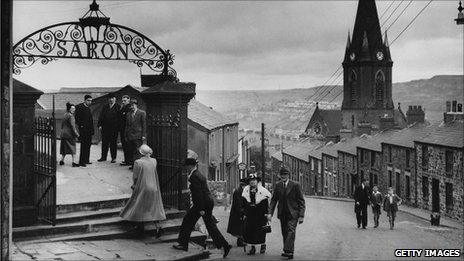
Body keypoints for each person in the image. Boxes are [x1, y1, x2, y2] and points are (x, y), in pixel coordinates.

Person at [173, 150, 231, 258]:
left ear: (190, 166)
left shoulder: (194, 176)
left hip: (202, 203)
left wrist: (200, 209)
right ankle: (225, 245)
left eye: (186, 166)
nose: (185, 168)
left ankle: (183, 244)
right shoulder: (197, 174)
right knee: (210, 226)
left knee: (187, 221)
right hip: (206, 203)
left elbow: (198, 194)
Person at [120, 144, 166, 236]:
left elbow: (136, 176)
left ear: (141, 153)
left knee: (139, 206)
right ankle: (158, 227)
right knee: (153, 208)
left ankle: (139, 228)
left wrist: (134, 185)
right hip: (154, 187)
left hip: (143, 187)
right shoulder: (154, 161)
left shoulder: (138, 162)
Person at [270, 167, 305, 260]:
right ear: (280, 176)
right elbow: (273, 200)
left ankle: (287, 249)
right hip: (282, 213)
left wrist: (301, 215)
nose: (283, 176)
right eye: (282, 175)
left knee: (291, 231)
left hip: (293, 213)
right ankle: (289, 252)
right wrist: (270, 213)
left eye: (285, 174)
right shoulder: (278, 185)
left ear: (288, 175)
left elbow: (301, 201)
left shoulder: (295, 185)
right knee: (285, 232)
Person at [242, 173, 271, 255]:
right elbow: (243, 202)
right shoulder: (246, 191)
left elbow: (266, 203)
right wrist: (244, 213)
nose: (252, 182)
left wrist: (266, 213)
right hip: (250, 213)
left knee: (261, 230)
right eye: (251, 181)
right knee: (250, 230)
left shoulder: (263, 191)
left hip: (260, 213)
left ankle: (263, 245)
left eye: (254, 180)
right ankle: (253, 248)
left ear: (257, 181)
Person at [97, 94, 121, 163]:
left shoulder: (118, 107)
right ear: (108, 99)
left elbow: (119, 118)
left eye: (112, 98)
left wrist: (118, 128)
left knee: (113, 143)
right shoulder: (105, 107)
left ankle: (113, 158)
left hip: (114, 129)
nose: (111, 100)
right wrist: (100, 125)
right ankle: (103, 157)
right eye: (110, 98)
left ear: (115, 99)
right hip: (105, 128)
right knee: (104, 143)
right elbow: (101, 116)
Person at [125, 99, 146, 169]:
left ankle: (138, 166)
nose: (132, 107)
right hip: (130, 135)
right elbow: (127, 125)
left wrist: (143, 135)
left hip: (138, 135)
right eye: (131, 106)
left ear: (136, 105)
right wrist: (126, 135)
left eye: (133, 105)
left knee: (138, 151)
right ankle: (133, 165)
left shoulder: (142, 113)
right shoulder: (128, 114)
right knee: (131, 151)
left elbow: (144, 125)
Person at [227, 178, 247, 248]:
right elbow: (238, 204)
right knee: (239, 227)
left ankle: (241, 240)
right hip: (237, 212)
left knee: (240, 227)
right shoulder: (238, 191)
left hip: (238, 212)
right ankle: (240, 242)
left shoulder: (240, 190)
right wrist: (242, 212)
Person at [75, 95, 94, 167]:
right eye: (88, 100)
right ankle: (81, 161)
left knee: (88, 145)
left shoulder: (88, 108)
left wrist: (92, 130)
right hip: (83, 130)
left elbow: (90, 120)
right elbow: (77, 118)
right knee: (83, 146)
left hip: (89, 130)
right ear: (85, 100)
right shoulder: (80, 107)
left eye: (91, 100)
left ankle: (86, 160)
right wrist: (81, 126)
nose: (90, 102)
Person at [59, 102, 79, 167]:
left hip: (63, 134)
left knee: (64, 148)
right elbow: (73, 127)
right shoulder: (71, 116)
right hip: (70, 135)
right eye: (72, 108)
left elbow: (62, 125)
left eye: (74, 108)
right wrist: (77, 134)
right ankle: (73, 162)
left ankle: (62, 160)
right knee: (73, 148)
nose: (74, 109)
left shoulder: (65, 115)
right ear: (69, 109)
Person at [118, 95, 132, 166]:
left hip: (127, 130)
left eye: (125, 101)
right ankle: (126, 160)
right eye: (122, 101)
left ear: (128, 101)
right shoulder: (123, 108)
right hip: (122, 129)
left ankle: (128, 161)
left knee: (127, 146)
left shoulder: (129, 108)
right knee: (124, 145)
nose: (123, 102)